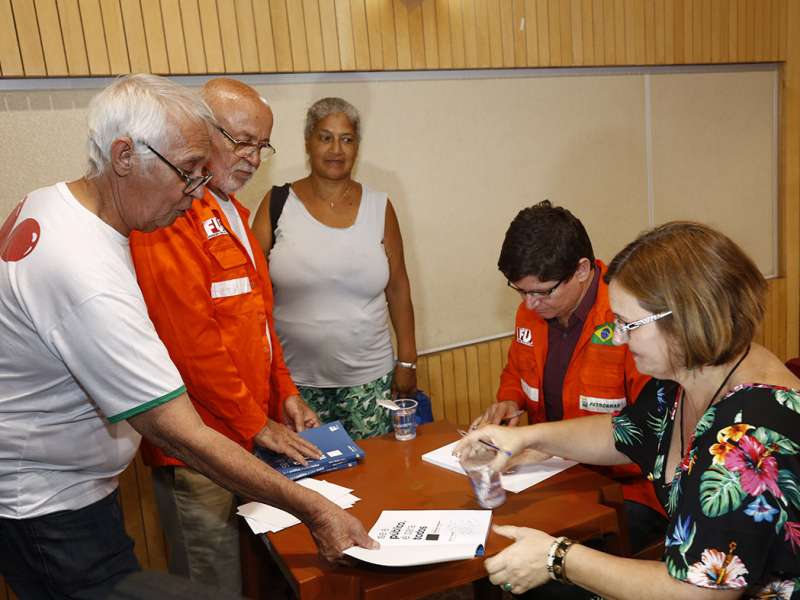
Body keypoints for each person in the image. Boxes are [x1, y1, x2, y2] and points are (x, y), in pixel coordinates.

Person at [0, 74, 375, 599]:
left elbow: (257, 319)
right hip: (44, 501)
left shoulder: (53, 203)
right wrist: (314, 507)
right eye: (187, 171)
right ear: (125, 155)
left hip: (76, 484)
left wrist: (280, 392)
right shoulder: (90, 266)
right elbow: (177, 414)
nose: (196, 189)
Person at [457, 222, 800, 598]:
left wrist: (557, 557)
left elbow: (699, 594)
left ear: (684, 319)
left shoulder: (746, 437)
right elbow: (624, 431)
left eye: (627, 325)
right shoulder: (688, 373)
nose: (618, 338)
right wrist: (524, 436)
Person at [129, 78, 321, 591]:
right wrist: (255, 421)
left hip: (251, 436)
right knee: (212, 584)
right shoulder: (167, 215)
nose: (254, 158)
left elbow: (258, 321)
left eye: (262, 146)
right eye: (242, 141)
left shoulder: (234, 212)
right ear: (198, 131)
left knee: (266, 574)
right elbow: (190, 344)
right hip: (200, 450)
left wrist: (286, 395)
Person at [470, 201, 665, 552]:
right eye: (520, 291)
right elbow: (517, 370)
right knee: (494, 535)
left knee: (542, 569)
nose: (529, 304)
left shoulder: (627, 317)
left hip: (629, 490)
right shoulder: (533, 308)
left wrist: (538, 443)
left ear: (581, 270)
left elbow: (647, 429)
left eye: (542, 291)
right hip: (552, 473)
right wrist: (508, 402)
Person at [251, 97, 417, 439]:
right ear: (308, 142)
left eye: (347, 138)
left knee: (378, 481)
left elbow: (398, 288)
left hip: (371, 384)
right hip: (295, 387)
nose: (336, 149)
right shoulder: (277, 203)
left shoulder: (379, 206)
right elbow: (251, 290)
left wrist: (408, 361)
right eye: (325, 137)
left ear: (357, 146)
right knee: (309, 484)